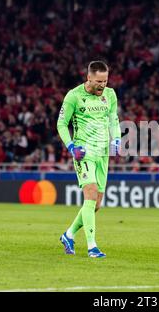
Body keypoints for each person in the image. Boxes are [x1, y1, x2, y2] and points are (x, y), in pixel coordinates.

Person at [56, 61, 121, 258]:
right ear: (89, 78)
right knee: (90, 194)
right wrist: (71, 147)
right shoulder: (74, 96)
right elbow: (61, 124)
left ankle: (68, 235)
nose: (103, 85)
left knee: (96, 204)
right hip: (84, 153)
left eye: (106, 80)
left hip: (103, 153)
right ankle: (92, 247)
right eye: (99, 81)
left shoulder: (110, 95)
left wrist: (117, 138)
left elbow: (113, 119)